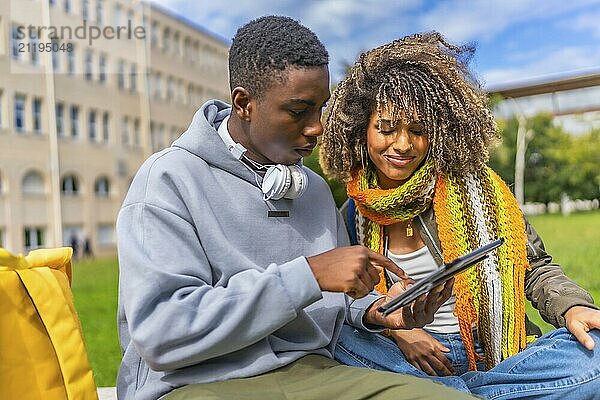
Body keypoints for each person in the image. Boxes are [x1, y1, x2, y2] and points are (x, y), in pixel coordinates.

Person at [116, 17, 474, 400]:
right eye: (299, 110)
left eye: (320, 109)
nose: (317, 127)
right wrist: (308, 275)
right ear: (244, 104)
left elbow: (338, 302)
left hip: (312, 372)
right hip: (195, 383)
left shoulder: (314, 190)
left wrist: (381, 311)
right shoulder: (167, 179)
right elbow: (162, 333)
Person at [319, 31, 600, 399]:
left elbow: (534, 268)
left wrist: (573, 306)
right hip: (405, 352)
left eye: (419, 131)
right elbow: (351, 302)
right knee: (333, 338)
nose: (403, 144)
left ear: (438, 132)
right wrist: (401, 332)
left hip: (496, 352)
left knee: (594, 355)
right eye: (386, 128)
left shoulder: (484, 191)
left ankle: (445, 393)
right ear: (361, 130)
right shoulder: (351, 213)